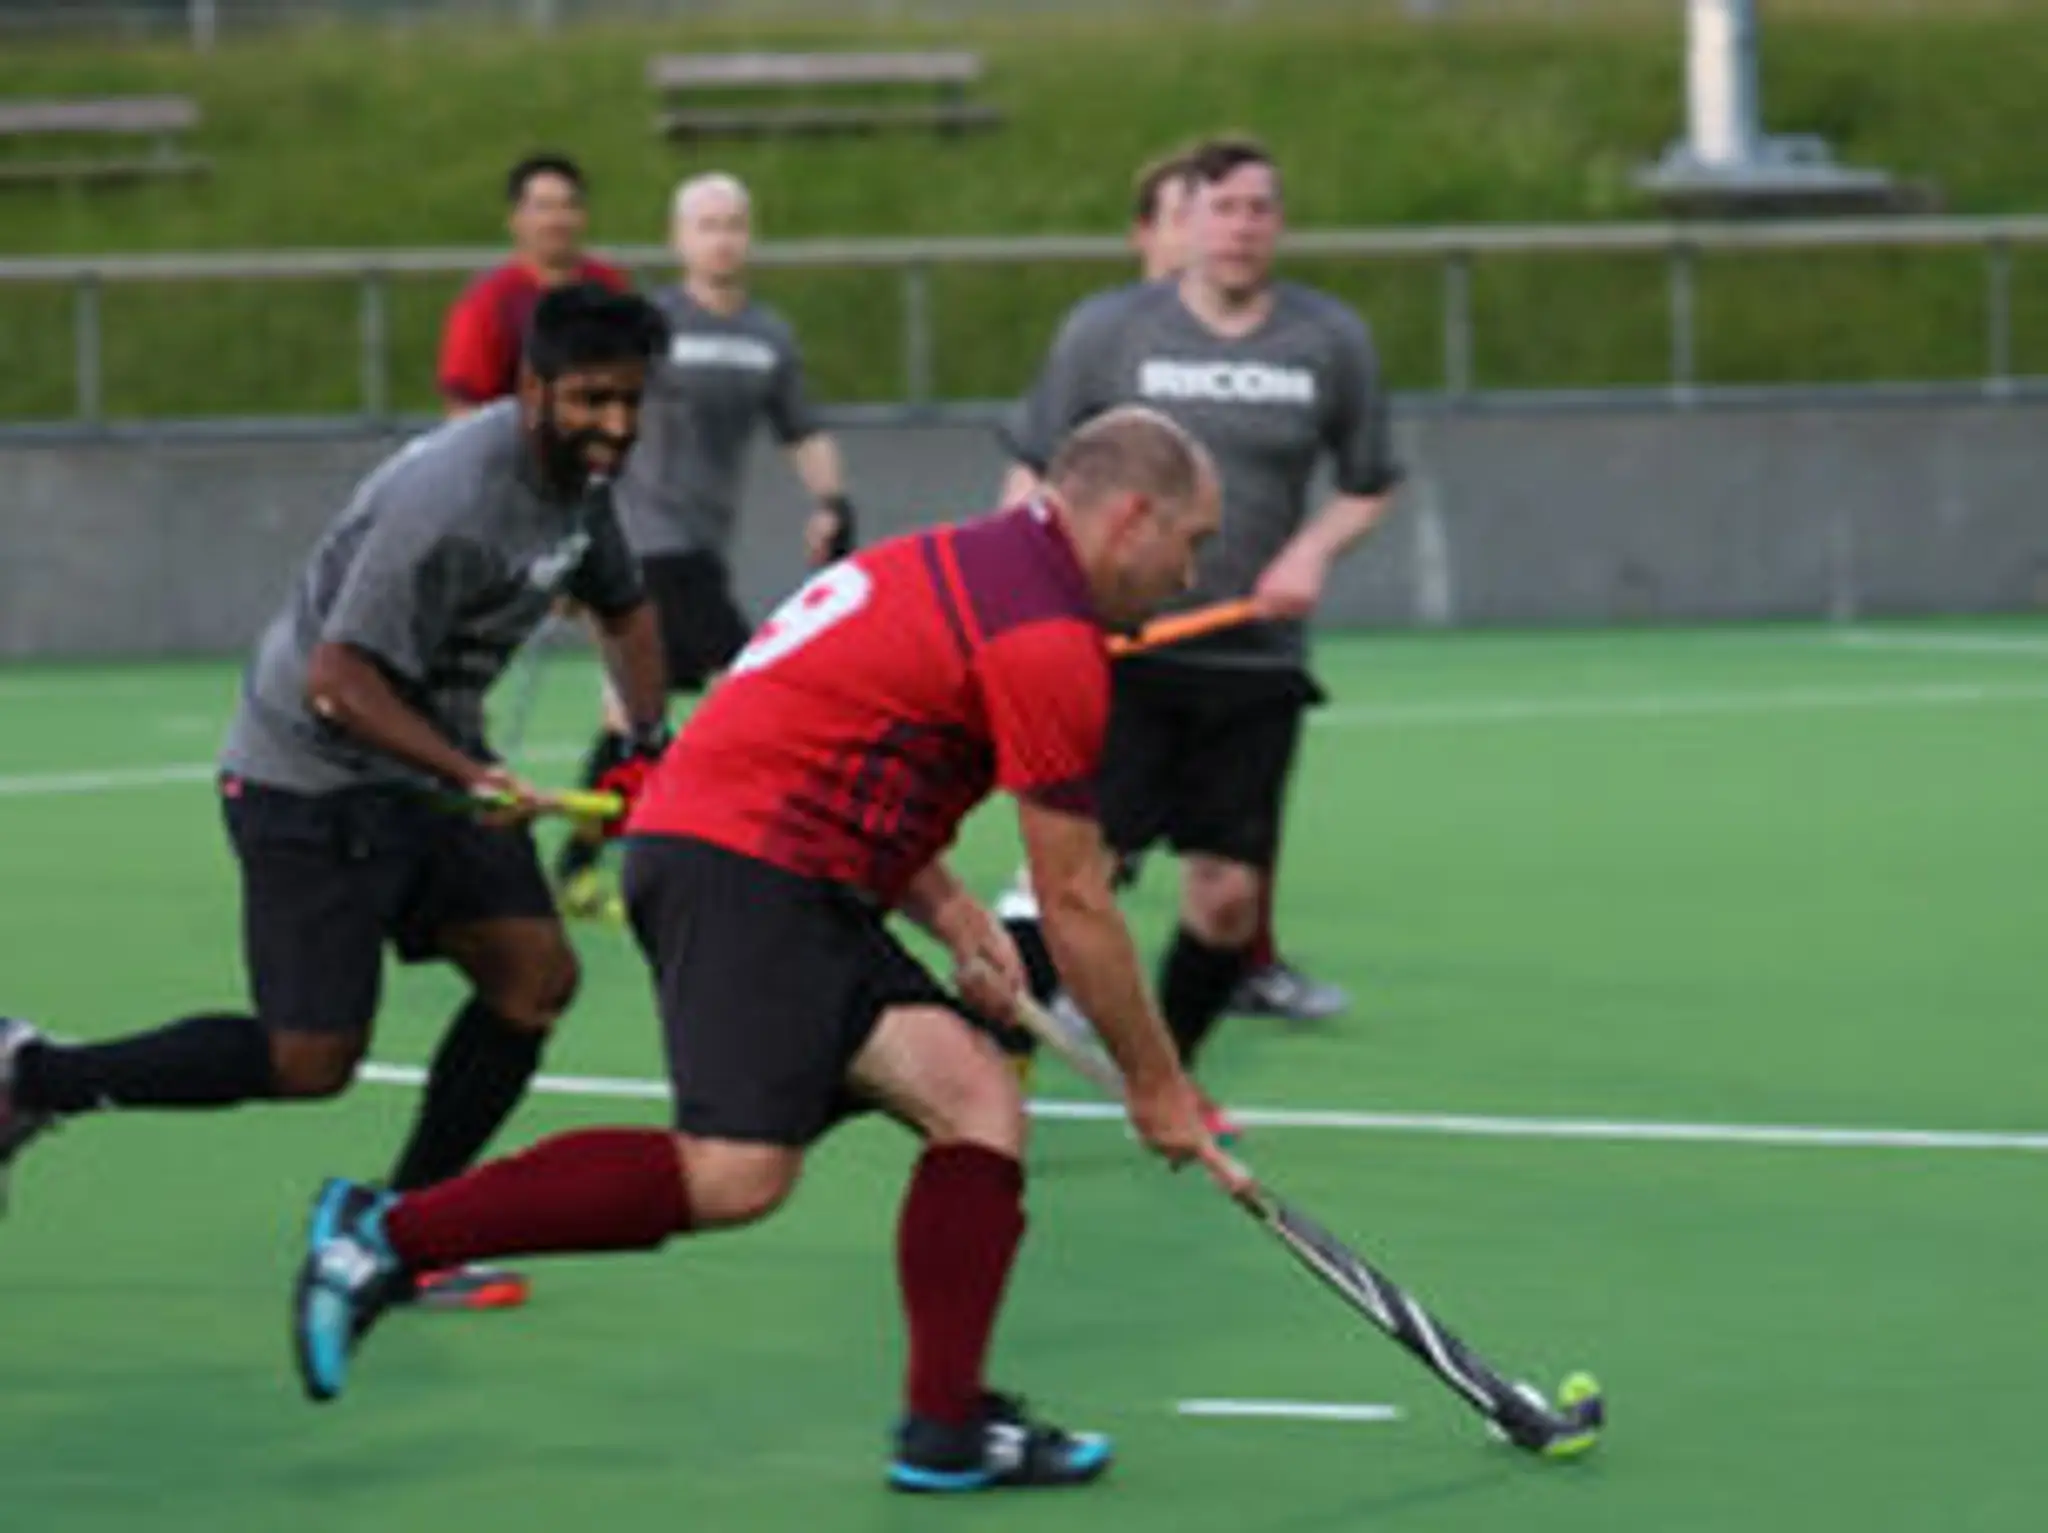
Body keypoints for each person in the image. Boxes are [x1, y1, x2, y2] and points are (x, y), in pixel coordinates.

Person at [285, 408, 1237, 1494]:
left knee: (974, 1093)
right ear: (1131, 518)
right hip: (749, 869)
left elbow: (833, 726)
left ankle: (944, 1428)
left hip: (777, 861)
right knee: (736, 1174)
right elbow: (1073, 898)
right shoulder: (1045, 633)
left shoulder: (966, 558)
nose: (1190, 574)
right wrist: (1157, 1085)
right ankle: (386, 1235)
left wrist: (945, 907)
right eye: (1192, 542)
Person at [0, 286, 673, 1317]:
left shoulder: (581, 485)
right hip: (307, 776)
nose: (616, 425)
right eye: (592, 399)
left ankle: (392, 1235)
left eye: (630, 401)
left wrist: (645, 747)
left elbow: (624, 611)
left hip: (431, 765)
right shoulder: (446, 498)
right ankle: (32, 1076)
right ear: (532, 387)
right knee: (309, 1059)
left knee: (533, 980)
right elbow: (337, 681)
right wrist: (469, 778)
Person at [996, 136, 1404, 1130]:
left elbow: (1369, 483)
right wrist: (1024, 596)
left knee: (1226, 901)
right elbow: (1033, 470)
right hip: (1119, 656)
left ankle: (1164, 1081)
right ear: (1187, 220)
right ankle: (991, 1068)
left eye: (1260, 209)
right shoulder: (1109, 332)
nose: (1240, 228)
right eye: (1222, 208)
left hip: (1253, 662)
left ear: (1279, 223)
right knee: (1079, 872)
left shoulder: (1328, 339)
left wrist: (1311, 552)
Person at [554, 171, 857, 919]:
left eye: (733, 224)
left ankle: (582, 864)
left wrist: (832, 503)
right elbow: (584, 416)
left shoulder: (766, 337)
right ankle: (753, 855)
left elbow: (802, 429)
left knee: (633, 714)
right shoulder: (649, 326)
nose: (722, 239)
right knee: (746, 692)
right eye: (707, 225)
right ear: (678, 239)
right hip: (645, 543)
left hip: (702, 546)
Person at [438, 153, 633, 415]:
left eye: (569, 206)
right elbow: (464, 404)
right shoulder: (489, 300)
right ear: (515, 220)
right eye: (544, 207)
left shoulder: (609, 285)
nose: (557, 219)